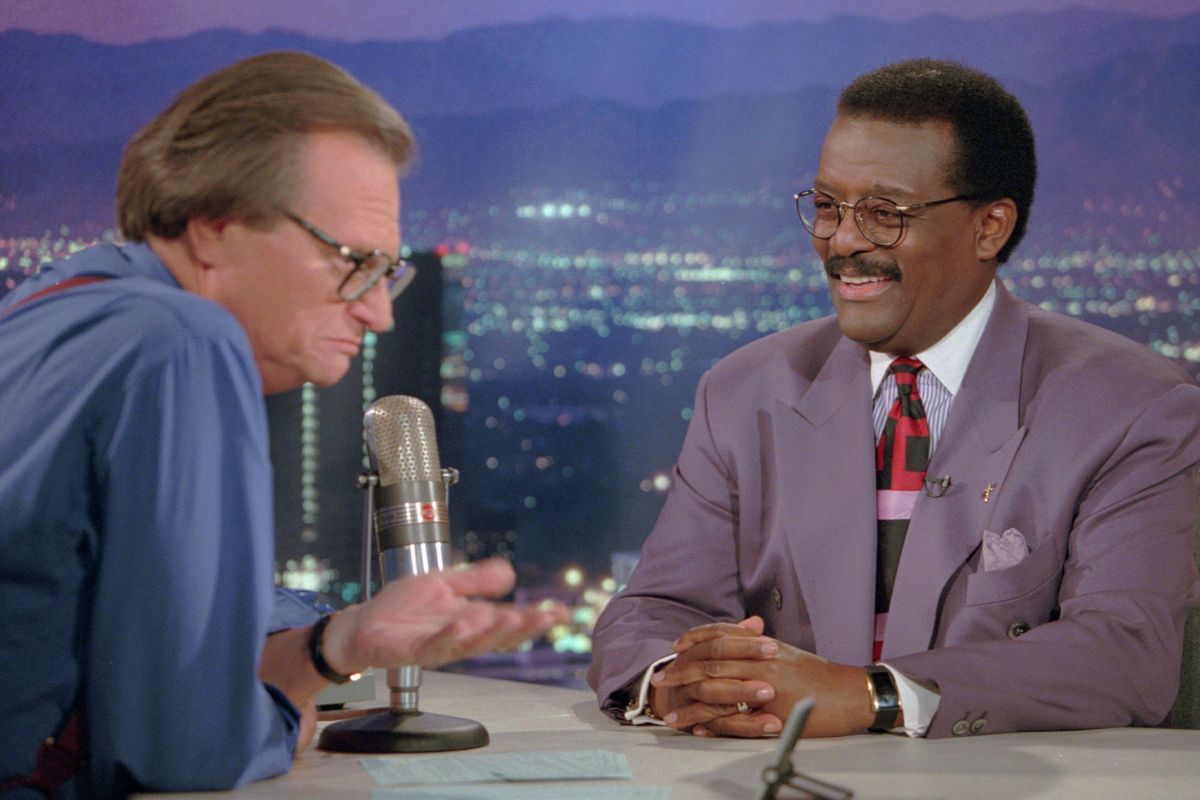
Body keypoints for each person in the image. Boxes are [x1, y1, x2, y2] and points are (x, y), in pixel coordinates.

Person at [0, 51, 564, 798]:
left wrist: (336, 645)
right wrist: (277, 723)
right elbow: (183, 752)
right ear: (212, 228)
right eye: (353, 261)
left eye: (388, 273)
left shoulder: (54, 306)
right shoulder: (183, 341)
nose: (378, 311)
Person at [588, 58, 1200, 740]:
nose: (843, 241)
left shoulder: (1134, 406)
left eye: (884, 214)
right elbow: (654, 607)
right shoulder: (744, 391)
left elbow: (1126, 655)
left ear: (990, 227)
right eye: (826, 206)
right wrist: (680, 682)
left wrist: (871, 696)